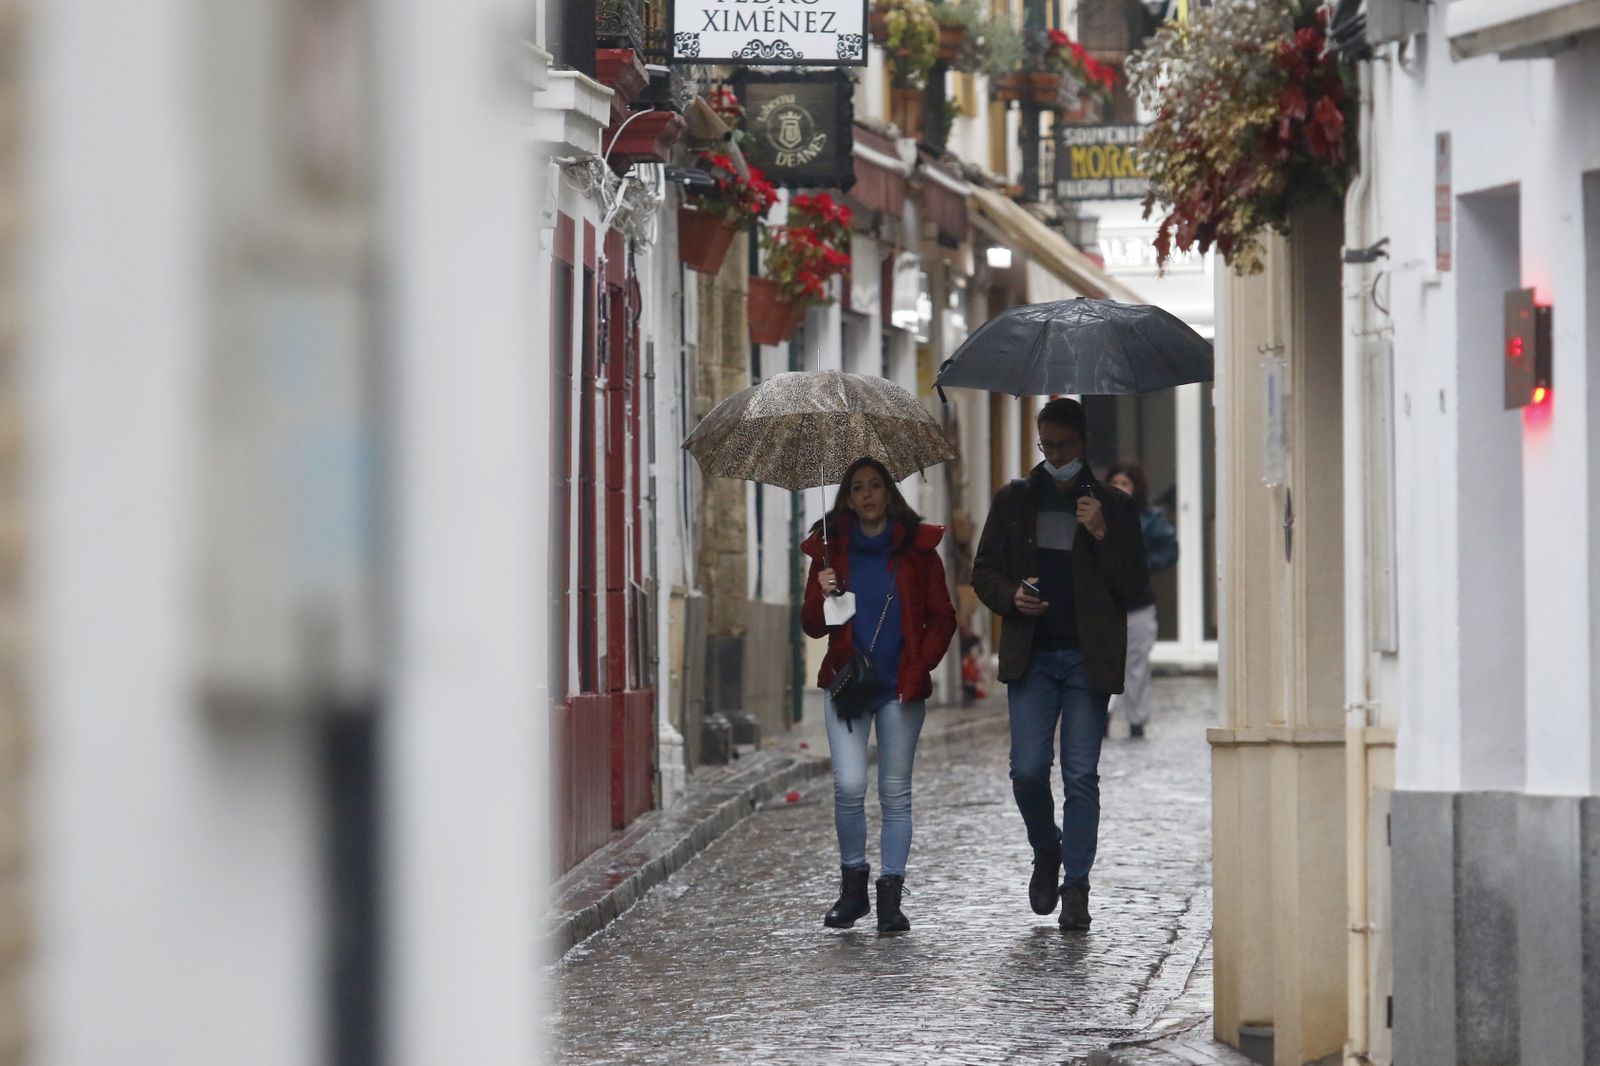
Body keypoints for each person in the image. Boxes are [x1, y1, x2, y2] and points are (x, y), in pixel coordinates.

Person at [971, 398, 1147, 931]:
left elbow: (1133, 586)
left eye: (1064, 446)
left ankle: (1076, 887)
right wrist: (1011, 597)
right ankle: (1046, 848)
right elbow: (984, 571)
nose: (1055, 454)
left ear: (1084, 444)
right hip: (1033, 656)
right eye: (1047, 445)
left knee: (1080, 776)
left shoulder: (1114, 508)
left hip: (1087, 660)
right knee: (1026, 770)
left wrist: (1100, 535)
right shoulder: (1016, 500)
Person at [801, 457, 957, 933]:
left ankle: (890, 897)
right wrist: (820, 593)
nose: (867, 495)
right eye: (857, 488)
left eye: (875, 486)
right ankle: (853, 890)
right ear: (847, 498)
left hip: (899, 689)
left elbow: (942, 617)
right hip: (847, 686)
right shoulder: (830, 552)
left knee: (895, 793)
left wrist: (920, 665)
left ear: (889, 493)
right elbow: (811, 627)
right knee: (848, 785)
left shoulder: (918, 551)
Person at [1105, 460, 1179, 739]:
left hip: (1138, 602)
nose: (1119, 488)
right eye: (1114, 483)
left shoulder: (1150, 518)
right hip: (1104, 602)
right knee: (1103, 662)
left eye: (1125, 483)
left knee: (1136, 664)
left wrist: (1143, 565)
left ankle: (1137, 720)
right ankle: (1102, 716)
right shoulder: (1096, 514)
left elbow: (1170, 549)